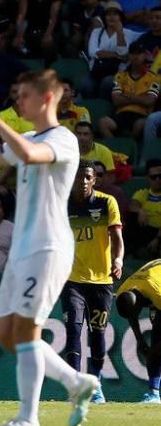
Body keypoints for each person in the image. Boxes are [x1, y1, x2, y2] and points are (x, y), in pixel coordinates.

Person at [0, 68, 98, 426]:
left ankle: (28, 419)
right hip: (21, 250)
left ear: (47, 98)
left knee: (27, 331)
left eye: (23, 95)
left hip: (48, 246)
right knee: (8, 336)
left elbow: (31, 154)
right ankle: (75, 382)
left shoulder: (63, 138)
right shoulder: (28, 136)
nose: (18, 101)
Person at [61, 160, 123, 405]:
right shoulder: (62, 204)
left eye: (88, 177)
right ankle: (76, 386)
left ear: (94, 179)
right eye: (79, 177)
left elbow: (117, 237)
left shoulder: (107, 203)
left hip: (101, 280)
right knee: (73, 329)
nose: (84, 181)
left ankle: (95, 384)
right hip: (71, 278)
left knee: (97, 334)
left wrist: (118, 259)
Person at [114, 259, 161, 403]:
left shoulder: (156, 293)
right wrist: (139, 340)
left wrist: (155, 349)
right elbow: (131, 314)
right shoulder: (123, 291)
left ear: (140, 304)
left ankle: (154, 393)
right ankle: (154, 394)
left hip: (156, 283)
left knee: (157, 341)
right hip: (153, 278)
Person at [101, 40, 159, 139]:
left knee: (140, 125)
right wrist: (140, 98)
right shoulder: (120, 76)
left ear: (145, 55)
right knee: (103, 123)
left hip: (141, 114)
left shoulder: (154, 78)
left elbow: (150, 100)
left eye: (139, 53)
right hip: (122, 113)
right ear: (129, 56)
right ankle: (115, 146)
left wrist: (128, 96)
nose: (135, 56)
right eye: (132, 53)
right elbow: (116, 100)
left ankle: (128, 144)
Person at [128, 159, 161, 260]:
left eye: (160, 176)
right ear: (147, 178)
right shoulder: (142, 193)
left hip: (159, 233)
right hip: (145, 230)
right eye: (153, 177)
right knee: (132, 216)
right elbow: (132, 206)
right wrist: (140, 211)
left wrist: (157, 239)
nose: (158, 180)